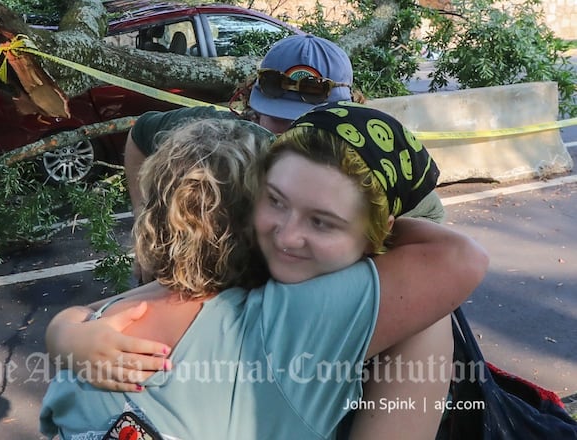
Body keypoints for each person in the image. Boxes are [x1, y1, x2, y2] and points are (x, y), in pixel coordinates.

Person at [40, 104, 489, 439]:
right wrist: (363, 224)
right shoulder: (288, 322)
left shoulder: (107, 327)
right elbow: (455, 257)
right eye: (276, 200)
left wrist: (65, 332)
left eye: (322, 220)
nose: (288, 235)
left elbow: (143, 131)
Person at [124, 33, 444, 284]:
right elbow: (140, 134)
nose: (292, 136)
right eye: (279, 119)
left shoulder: (367, 161)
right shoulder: (228, 137)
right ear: (253, 101)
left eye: (310, 122)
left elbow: (435, 230)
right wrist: (144, 221)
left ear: (346, 109)